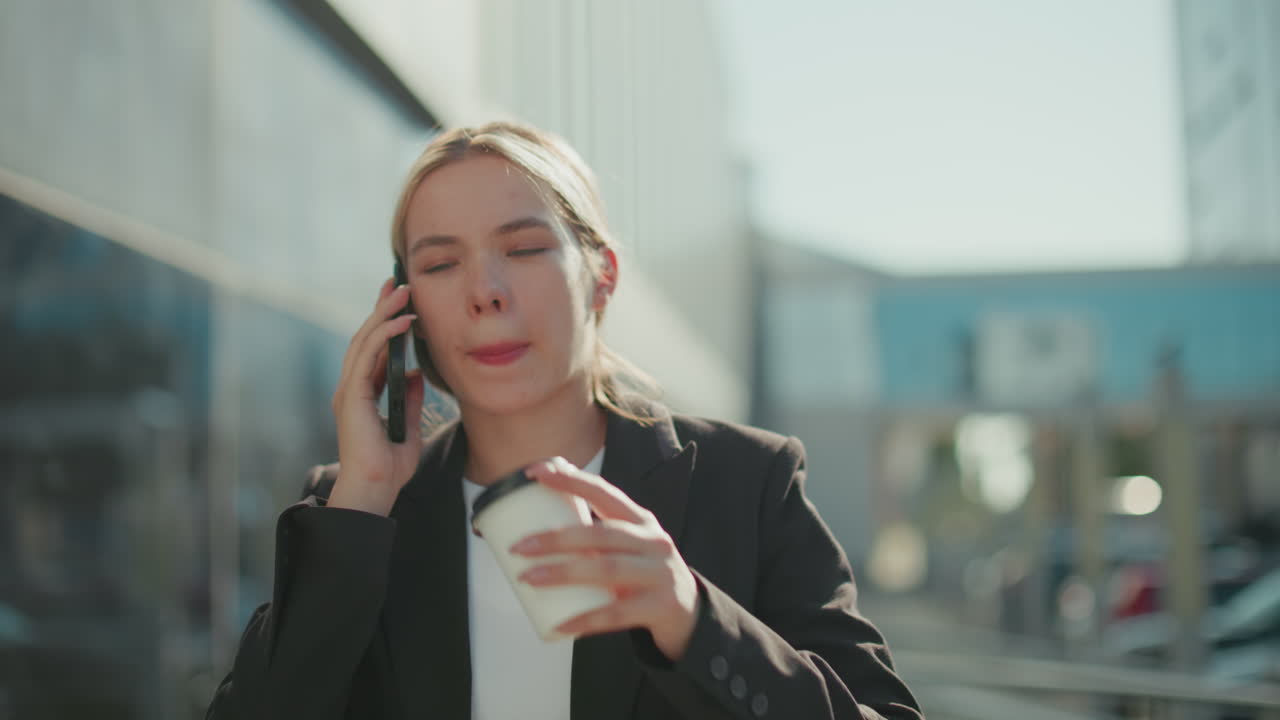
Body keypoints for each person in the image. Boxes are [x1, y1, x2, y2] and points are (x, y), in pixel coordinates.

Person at [205, 121, 922, 719]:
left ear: (602, 275)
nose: (485, 292)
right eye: (442, 264)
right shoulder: (360, 512)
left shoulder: (746, 482)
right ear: (404, 304)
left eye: (523, 249)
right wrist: (362, 499)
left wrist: (693, 620)